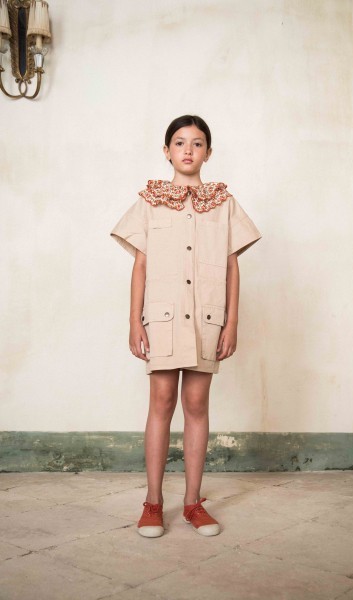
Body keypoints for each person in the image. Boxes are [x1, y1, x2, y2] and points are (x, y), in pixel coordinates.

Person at [110, 114, 262, 538]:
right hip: (162, 319)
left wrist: (232, 322)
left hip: (207, 320)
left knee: (196, 404)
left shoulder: (224, 203)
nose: (188, 150)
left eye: (197, 143)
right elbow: (141, 266)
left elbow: (232, 266)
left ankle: (193, 502)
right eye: (179, 142)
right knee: (161, 401)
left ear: (208, 152)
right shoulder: (149, 202)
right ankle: (153, 503)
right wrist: (134, 322)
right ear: (167, 151)